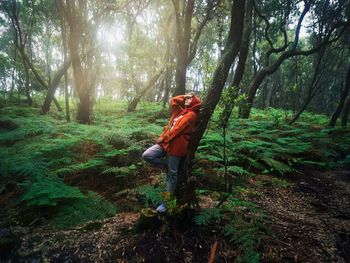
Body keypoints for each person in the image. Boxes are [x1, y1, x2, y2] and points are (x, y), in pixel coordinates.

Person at [142, 92, 202, 212]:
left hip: (176, 146)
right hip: (166, 144)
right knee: (147, 155)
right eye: (186, 99)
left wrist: (163, 138)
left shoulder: (191, 115)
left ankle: (166, 204)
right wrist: (186, 95)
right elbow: (173, 100)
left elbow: (177, 130)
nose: (186, 100)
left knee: (171, 177)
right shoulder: (180, 112)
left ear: (195, 102)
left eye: (190, 99)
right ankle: (168, 166)